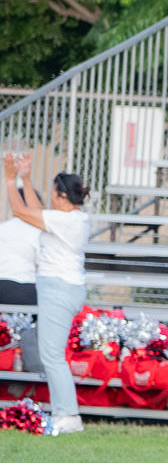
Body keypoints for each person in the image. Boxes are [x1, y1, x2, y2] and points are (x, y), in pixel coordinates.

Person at [2, 157, 92, 434]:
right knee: (51, 354)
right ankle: (65, 412)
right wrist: (26, 179)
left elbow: (21, 211)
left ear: (62, 195)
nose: (50, 195)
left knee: (52, 356)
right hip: (61, 288)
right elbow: (37, 212)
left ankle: (68, 415)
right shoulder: (69, 218)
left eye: (53, 191)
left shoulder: (67, 221)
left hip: (58, 289)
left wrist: (10, 180)